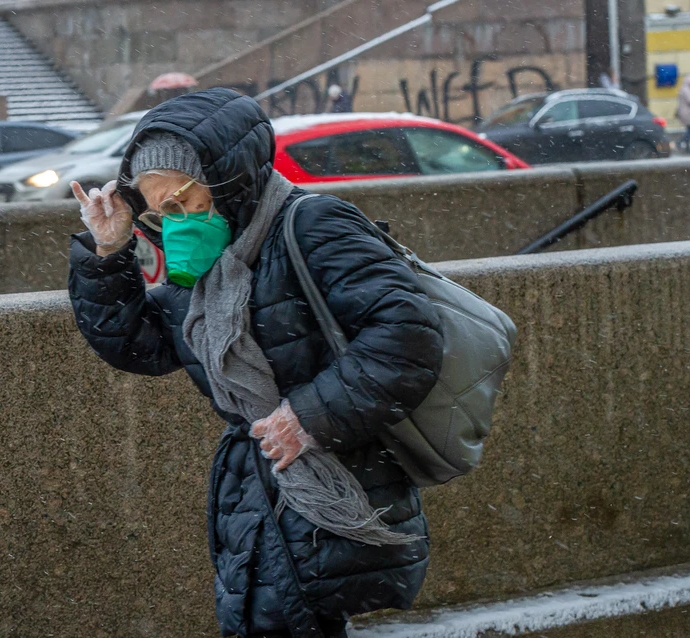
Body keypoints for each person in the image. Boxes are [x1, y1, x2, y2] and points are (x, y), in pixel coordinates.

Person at [67, 88, 443, 638]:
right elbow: (136, 347)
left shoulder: (313, 226)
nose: (175, 224)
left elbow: (408, 337)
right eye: (160, 211)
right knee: (268, 617)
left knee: (280, 618)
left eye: (185, 202)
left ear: (229, 181)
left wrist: (308, 416)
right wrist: (108, 252)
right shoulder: (202, 270)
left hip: (329, 468)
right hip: (254, 482)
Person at [678, 73, 690, 152]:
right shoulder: (686, 89)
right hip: (687, 113)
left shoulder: (684, 88)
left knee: (689, 129)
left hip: (685, 112)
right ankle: (680, 142)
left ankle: (685, 145)